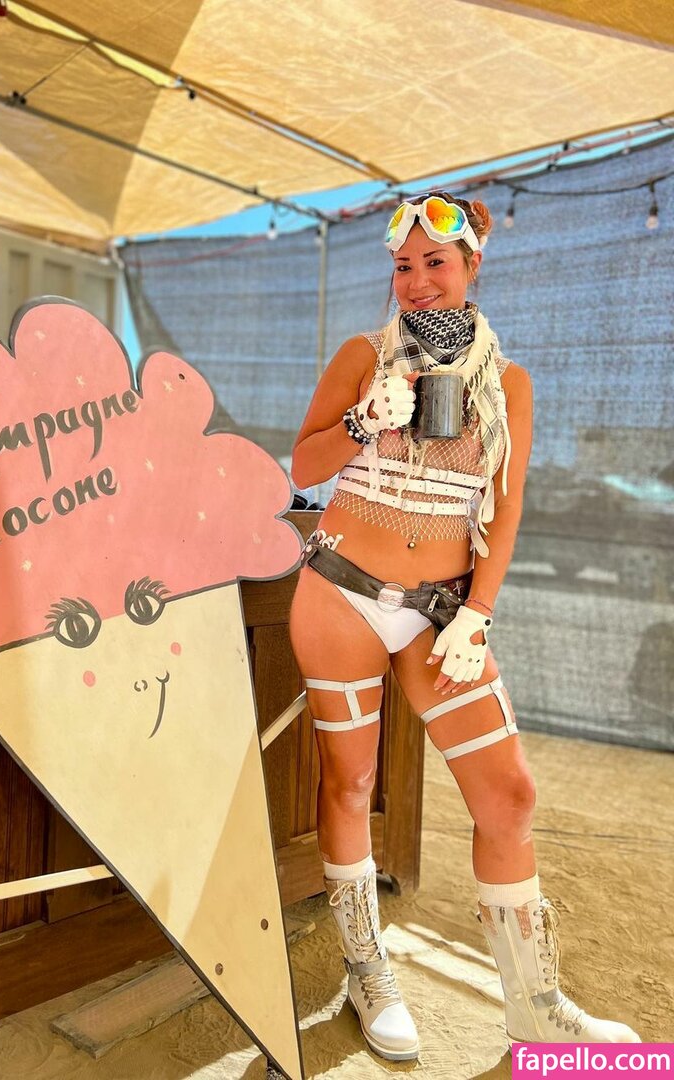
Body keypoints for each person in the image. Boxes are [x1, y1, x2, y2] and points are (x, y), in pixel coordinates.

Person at [288, 192, 641, 1060]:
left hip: (440, 611)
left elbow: (505, 508)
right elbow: (303, 463)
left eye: (435, 263)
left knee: (509, 794)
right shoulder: (363, 355)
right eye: (403, 266)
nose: (417, 282)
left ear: (473, 264)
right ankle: (368, 973)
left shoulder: (509, 383)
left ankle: (536, 1008)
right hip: (340, 594)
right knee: (349, 783)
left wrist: (479, 611)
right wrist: (364, 419)